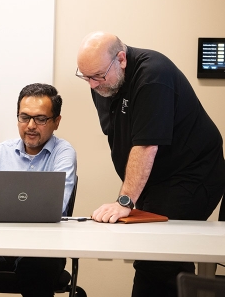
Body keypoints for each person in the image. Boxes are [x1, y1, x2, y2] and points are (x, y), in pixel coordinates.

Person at [76, 31, 225, 297]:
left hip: (193, 173)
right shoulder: (104, 82)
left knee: (161, 256)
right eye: (85, 77)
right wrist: (133, 196)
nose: (92, 84)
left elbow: (145, 145)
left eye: (97, 75)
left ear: (121, 59)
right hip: (158, 178)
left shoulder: (153, 74)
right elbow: (120, 137)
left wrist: (125, 201)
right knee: (149, 253)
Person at [0, 83, 77, 297]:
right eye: (24, 117)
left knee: (34, 268)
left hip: (43, 247)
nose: (30, 125)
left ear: (56, 122)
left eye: (40, 119)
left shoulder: (63, 153)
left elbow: (54, 210)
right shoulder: (2, 151)